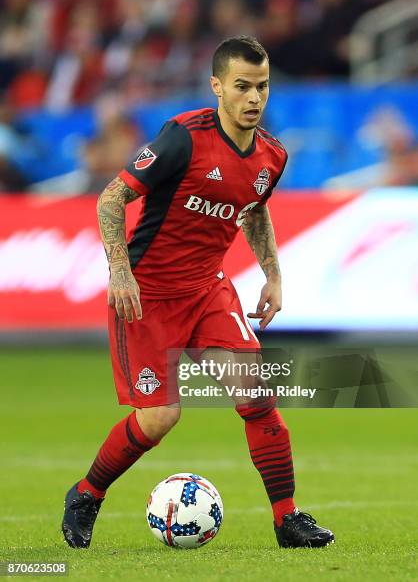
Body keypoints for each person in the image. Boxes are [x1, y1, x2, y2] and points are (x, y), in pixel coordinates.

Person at [61, 36, 334, 550]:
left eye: (263, 86)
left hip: (208, 289)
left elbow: (253, 208)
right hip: (147, 295)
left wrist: (272, 274)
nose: (254, 98)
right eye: (242, 87)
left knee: (256, 393)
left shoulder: (272, 156)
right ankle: (86, 494)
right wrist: (119, 271)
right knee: (161, 417)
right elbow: (111, 198)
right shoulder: (182, 136)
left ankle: (287, 519)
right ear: (217, 87)